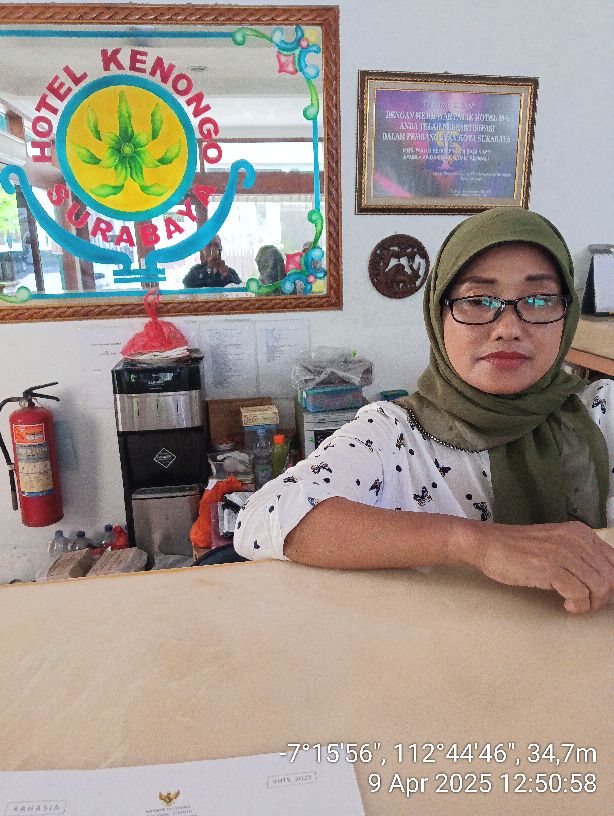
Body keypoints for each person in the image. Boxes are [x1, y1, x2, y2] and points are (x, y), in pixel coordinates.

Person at [234, 208, 614, 614]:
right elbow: (264, 517)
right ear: (438, 314)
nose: (508, 328)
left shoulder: (601, 414)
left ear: (567, 315)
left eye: (539, 299)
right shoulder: (395, 434)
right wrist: (475, 543)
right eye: (477, 300)